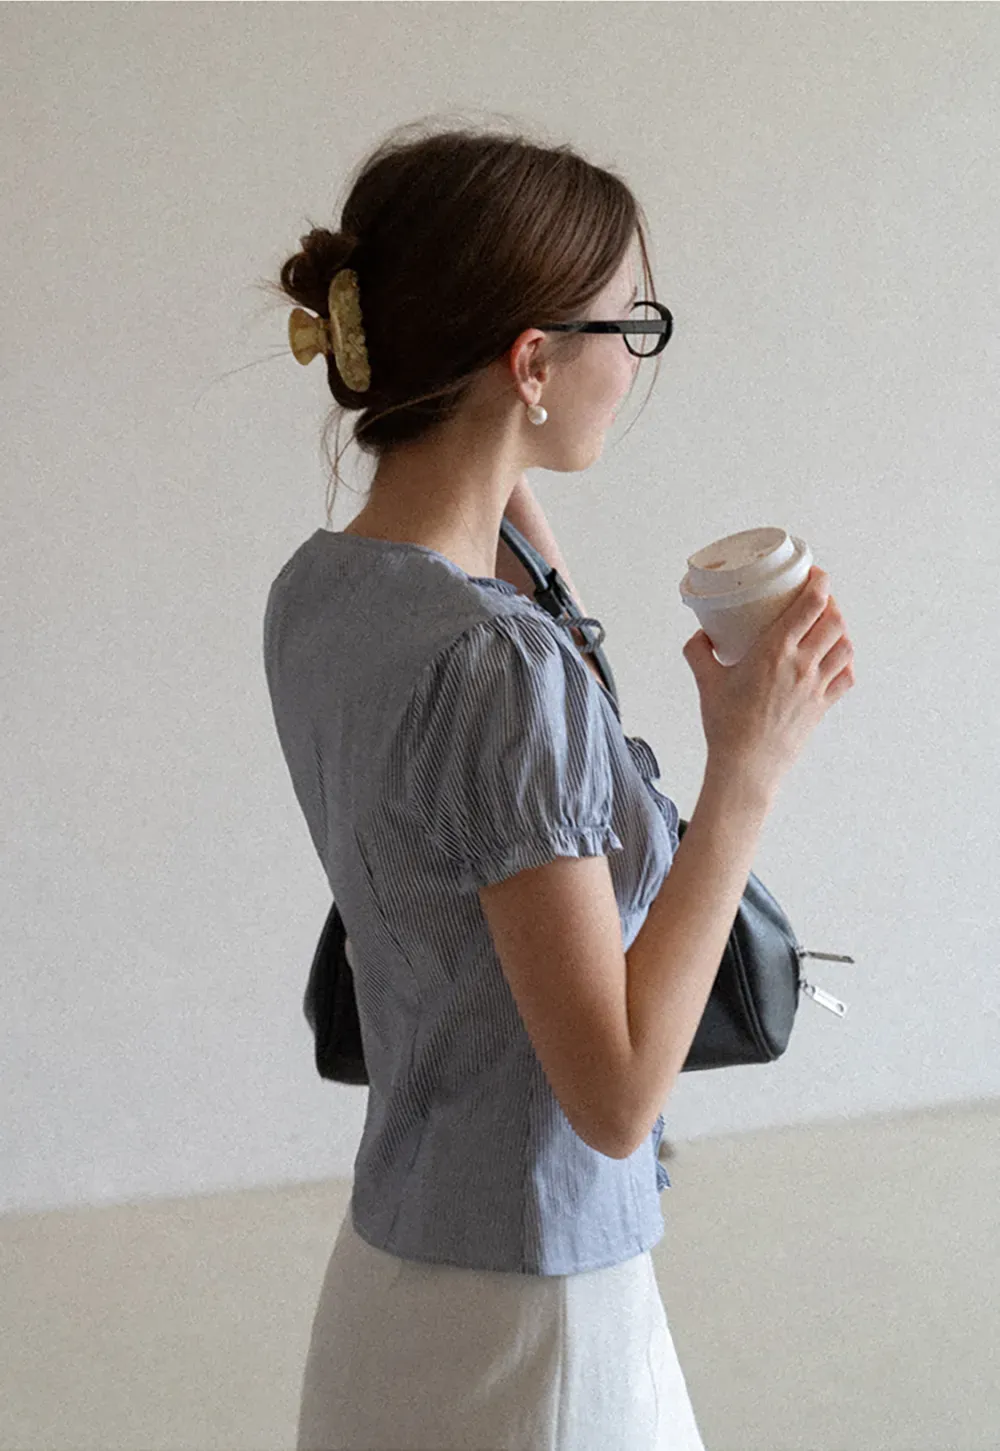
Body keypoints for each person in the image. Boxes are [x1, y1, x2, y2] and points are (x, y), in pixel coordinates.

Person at [262, 117, 854, 1451]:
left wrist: (528, 541)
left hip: (389, 1285)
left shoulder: (320, 594)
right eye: (629, 326)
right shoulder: (495, 662)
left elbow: (494, 713)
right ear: (531, 362)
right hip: (538, 1329)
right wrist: (748, 767)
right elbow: (616, 1092)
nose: (635, 363)